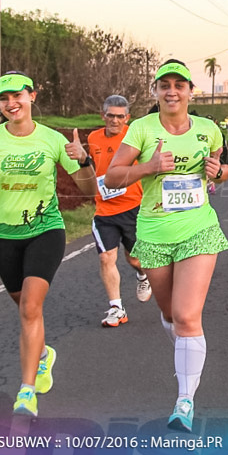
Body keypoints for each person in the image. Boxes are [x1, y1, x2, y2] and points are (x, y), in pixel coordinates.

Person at [0, 72, 97, 417]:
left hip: (44, 230)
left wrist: (83, 160)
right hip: (3, 237)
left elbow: (90, 191)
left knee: (31, 308)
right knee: (24, 307)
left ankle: (26, 391)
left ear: (32, 96)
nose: (10, 103)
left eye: (17, 95)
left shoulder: (52, 140)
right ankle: (43, 353)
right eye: (3, 99)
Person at [104, 60, 228, 433]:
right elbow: (112, 176)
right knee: (172, 316)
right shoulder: (141, 129)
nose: (172, 91)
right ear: (155, 91)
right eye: (164, 85)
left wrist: (217, 173)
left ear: (191, 91)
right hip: (155, 232)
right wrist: (150, 167)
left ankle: (184, 401)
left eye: (179, 84)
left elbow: (223, 170)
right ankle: (186, 351)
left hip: (199, 228)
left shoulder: (208, 129)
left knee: (188, 315)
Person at [87, 95, 152, 327]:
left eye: (120, 117)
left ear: (128, 118)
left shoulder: (134, 138)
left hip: (133, 207)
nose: (115, 121)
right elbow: (94, 167)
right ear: (103, 115)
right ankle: (116, 307)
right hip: (104, 209)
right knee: (106, 257)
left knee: (134, 258)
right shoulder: (93, 137)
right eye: (111, 116)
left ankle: (143, 275)